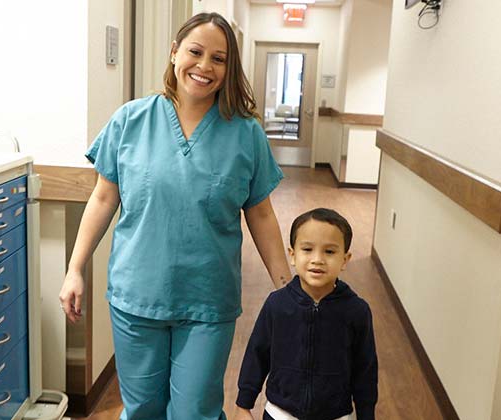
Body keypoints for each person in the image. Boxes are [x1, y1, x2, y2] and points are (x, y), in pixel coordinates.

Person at [59, 12, 292, 420]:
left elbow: (262, 215)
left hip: (207, 298)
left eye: (218, 59)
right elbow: (102, 199)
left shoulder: (244, 132)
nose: (204, 67)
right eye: (195, 52)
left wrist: (288, 289)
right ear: (174, 53)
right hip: (137, 294)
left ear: (229, 68)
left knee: (195, 411)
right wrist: (75, 268)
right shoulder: (130, 120)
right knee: (144, 408)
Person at [234, 208, 378, 420]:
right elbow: (257, 354)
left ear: (345, 259)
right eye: (307, 249)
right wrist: (243, 405)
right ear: (292, 255)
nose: (317, 259)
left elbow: (365, 369)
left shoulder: (356, 311)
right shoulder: (277, 305)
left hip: (336, 414)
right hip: (280, 413)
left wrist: (367, 415)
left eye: (329, 252)